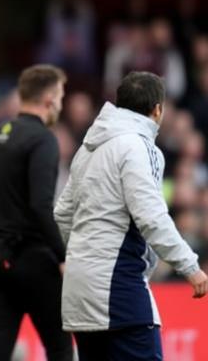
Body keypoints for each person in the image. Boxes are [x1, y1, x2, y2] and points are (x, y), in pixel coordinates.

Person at [55, 72, 208, 360]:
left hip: (78, 293)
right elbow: (151, 216)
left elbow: (63, 214)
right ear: (158, 109)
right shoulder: (140, 146)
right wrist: (190, 266)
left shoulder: (87, 149)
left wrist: (79, 258)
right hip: (119, 286)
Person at [0, 64, 73, 360]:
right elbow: (40, 205)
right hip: (32, 260)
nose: (60, 104)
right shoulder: (43, 139)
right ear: (49, 99)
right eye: (60, 96)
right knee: (60, 347)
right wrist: (62, 256)